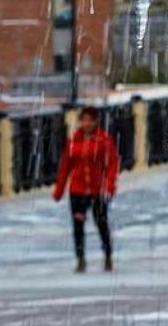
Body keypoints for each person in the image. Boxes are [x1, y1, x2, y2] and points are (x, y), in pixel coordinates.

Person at [53, 107, 119, 273]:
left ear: (96, 121)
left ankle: (108, 255)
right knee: (78, 226)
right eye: (84, 120)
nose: (87, 123)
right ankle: (80, 259)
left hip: (97, 190)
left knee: (101, 223)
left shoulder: (104, 140)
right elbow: (65, 167)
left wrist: (110, 185)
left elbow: (112, 164)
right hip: (77, 190)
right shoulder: (73, 141)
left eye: (90, 120)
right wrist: (59, 189)